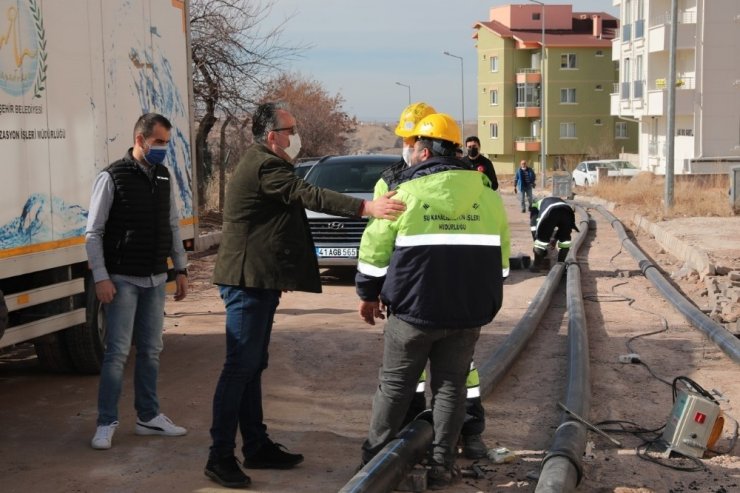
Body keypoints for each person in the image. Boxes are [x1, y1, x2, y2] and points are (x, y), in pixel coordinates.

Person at [205, 101, 406, 489]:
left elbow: (274, 223)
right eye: (290, 129)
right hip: (246, 281)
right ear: (272, 136)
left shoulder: (265, 161)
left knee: (251, 366)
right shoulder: (266, 164)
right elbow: (307, 194)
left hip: (258, 279)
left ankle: (257, 445)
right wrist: (367, 207)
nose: (296, 136)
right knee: (239, 368)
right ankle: (219, 456)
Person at [356, 112, 510, 489]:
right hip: (467, 315)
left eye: (411, 146)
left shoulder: (403, 195)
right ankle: (442, 466)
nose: (407, 152)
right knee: (450, 389)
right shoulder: (488, 197)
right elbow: (502, 265)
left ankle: (375, 462)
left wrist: (368, 295)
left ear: (424, 153)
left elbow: (374, 252)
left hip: (412, 313)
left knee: (395, 386)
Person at [374, 102, 492, 460]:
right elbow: (380, 241)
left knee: (453, 379)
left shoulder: (470, 180)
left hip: (422, 300)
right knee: (422, 380)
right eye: (407, 139)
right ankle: (416, 437)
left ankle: (466, 432)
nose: (409, 147)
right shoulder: (390, 181)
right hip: (422, 296)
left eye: (413, 140)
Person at [86, 113, 189, 451]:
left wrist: (181, 270)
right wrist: (101, 277)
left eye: (166, 142)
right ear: (140, 139)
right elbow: (94, 233)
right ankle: (106, 422)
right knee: (116, 353)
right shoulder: (112, 176)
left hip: (155, 278)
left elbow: (173, 225)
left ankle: (148, 416)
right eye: (158, 142)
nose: (163, 149)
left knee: (151, 350)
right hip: (122, 278)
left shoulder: (162, 175)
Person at [529, 196, 579, 272]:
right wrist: (555, 239)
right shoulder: (549, 201)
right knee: (565, 240)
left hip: (551, 212)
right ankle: (561, 265)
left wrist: (538, 242)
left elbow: (534, 228)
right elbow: (560, 223)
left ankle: (536, 266)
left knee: (540, 242)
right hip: (567, 211)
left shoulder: (535, 207)